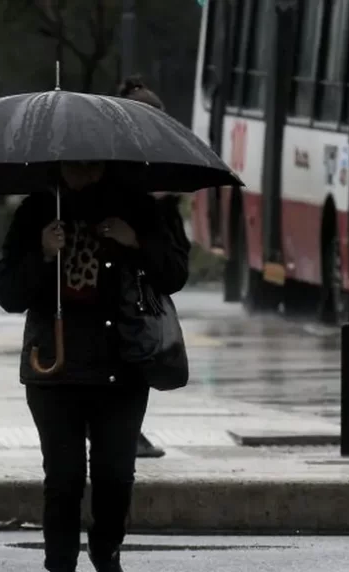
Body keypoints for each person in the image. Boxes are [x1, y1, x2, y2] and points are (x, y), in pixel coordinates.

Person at [0, 161, 190, 572]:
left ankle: (106, 549)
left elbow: (175, 273)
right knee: (62, 480)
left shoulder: (137, 206)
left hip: (122, 366)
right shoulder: (37, 209)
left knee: (115, 474)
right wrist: (42, 253)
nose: (83, 168)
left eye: (92, 160)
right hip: (54, 366)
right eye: (73, 160)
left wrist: (136, 241)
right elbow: (8, 293)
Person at [117, 75, 191, 460]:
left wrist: (140, 241)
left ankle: (130, 430)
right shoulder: (88, 183)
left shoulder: (162, 199)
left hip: (137, 316)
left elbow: (176, 272)